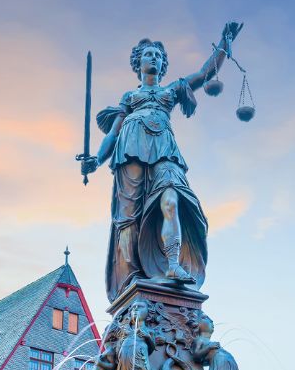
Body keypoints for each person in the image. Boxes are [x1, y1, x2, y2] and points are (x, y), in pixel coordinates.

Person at [81, 22, 243, 301]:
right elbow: (113, 133)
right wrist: (96, 160)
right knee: (128, 216)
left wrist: (225, 44)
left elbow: (206, 74)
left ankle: (172, 265)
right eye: (148, 54)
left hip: (165, 150)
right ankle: (130, 278)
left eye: (158, 55)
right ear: (138, 63)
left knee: (172, 200)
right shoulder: (130, 97)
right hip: (130, 149)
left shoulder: (173, 90)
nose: (153, 58)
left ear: (163, 63)